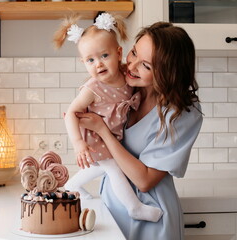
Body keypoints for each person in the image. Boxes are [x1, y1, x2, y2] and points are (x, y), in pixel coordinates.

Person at [76, 21, 203, 240]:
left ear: (167, 72)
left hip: (152, 218)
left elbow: (144, 181)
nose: (132, 66)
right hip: (112, 212)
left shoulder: (182, 113)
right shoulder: (125, 86)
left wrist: (103, 131)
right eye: (133, 53)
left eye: (146, 65)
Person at [53, 12, 163, 222]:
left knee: (99, 167)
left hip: (110, 136)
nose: (99, 64)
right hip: (95, 138)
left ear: (119, 52)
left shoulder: (126, 75)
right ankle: (135, 207)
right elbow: (71, 114)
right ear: (83, 62)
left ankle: (71, 186)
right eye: (90, 60)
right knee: (112, 168)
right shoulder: (93, 88)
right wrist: (78, 144)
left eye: (105, 56)